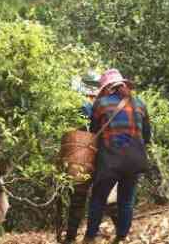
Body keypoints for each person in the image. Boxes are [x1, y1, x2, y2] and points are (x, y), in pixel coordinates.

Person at [83, 69, 151, 244]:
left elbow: (93, 132)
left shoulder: (101, 104)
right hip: (135, 159)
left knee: (98, 198)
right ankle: (121, 237)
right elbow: (147, 136)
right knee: (126, 200)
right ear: (123, 85)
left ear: (107, 88)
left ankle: (90, 237)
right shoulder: (140, 104)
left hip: (110, 161)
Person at [63, 72, 119, 244]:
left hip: (83, 155)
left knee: (80, 197)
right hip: (97, 155)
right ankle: (121, 232)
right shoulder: (102, 104)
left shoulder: (87, 105)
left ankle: (73, 237)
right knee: (106, 196)